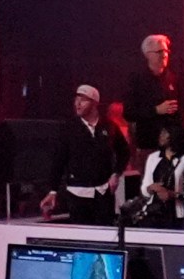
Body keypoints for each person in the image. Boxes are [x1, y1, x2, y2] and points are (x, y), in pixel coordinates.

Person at [43, 84, 127, 225]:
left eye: (83, 100)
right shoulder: (68, 128)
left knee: (105, 235)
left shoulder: (109, 126)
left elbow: (124, 151)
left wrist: (116, 173)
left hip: (103, 192)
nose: (78, 103)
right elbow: (58, 161)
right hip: (78, 193)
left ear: (94, 103)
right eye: (76, 99)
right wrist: (53, 191)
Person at [126, 34, 184, 157]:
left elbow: (181, 109)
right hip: (149, 146)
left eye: (166, 51)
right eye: (159, 51)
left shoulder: (173, 78)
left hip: (172, 145)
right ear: (147, 54)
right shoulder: (137, 80)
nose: (164, 55)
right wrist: (156, 110)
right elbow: (129, 112)